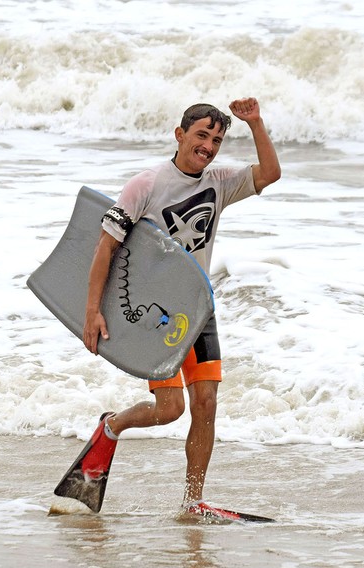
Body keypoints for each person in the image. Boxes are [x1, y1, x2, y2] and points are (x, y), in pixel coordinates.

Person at [64, 97, 281, 519]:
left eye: (217, 139)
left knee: (206, 405)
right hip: (155, 315)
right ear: (180, 135)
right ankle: (112, 425)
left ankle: (192, 501)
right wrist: (92, 312)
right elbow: (105, 247)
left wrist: (255, 123)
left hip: (198, 309)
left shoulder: (218, 182)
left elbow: (270, 173)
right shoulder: (145, 186)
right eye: (202, 135)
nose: (209, 146)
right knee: (170, 410)